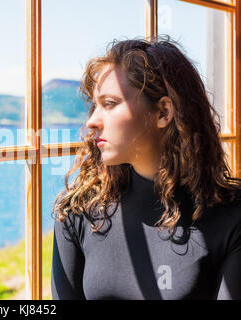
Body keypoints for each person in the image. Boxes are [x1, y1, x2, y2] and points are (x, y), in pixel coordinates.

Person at [51, 36, 241, 300]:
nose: (92, 121)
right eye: (95, 106)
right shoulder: (78, 211)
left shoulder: (232, 215)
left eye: (109, 104)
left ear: (163, 112)